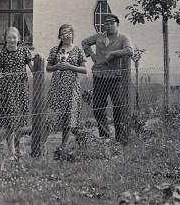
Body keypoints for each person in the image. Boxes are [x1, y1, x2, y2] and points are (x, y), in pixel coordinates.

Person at [81, 13, 134, 143]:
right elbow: (85, 42)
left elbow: (130, 50)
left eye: (112, 23)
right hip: (99, 75)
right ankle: (104, 136)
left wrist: (113, 53)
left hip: (115, 77)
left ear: (117, 24)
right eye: (106, 23)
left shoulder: (123, 38)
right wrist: (91, 55)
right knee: (98, 107)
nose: (109, 26)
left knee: (118, 107)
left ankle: (120, 137)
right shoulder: (99, 37)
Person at [45, 23, 87, 159]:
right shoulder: (54, 50)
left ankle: (63, 146)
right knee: (53, 115)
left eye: (68, 32)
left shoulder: (78, 50)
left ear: (73, 34)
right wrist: (57, 66)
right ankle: (43, 144)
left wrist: (70, 66)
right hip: (57, 87)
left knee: (69, 117)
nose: (66, 35)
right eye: (63, 33)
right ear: (60, 36)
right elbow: (48, 67)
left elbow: (85, 69)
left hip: (71, 87)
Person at [0, 27, 33, 159]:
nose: (12, 40)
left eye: (14, 37)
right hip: (7, 90)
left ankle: (16, 147)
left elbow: (33, 68)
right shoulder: (1, 54)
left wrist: (38, 68)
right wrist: (0, 79)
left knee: (20, 120)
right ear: (5, 39)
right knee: (11, 120)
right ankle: (11, 151)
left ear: (19, 39)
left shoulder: (24, 51)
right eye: (9, 37)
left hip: (22, 88)